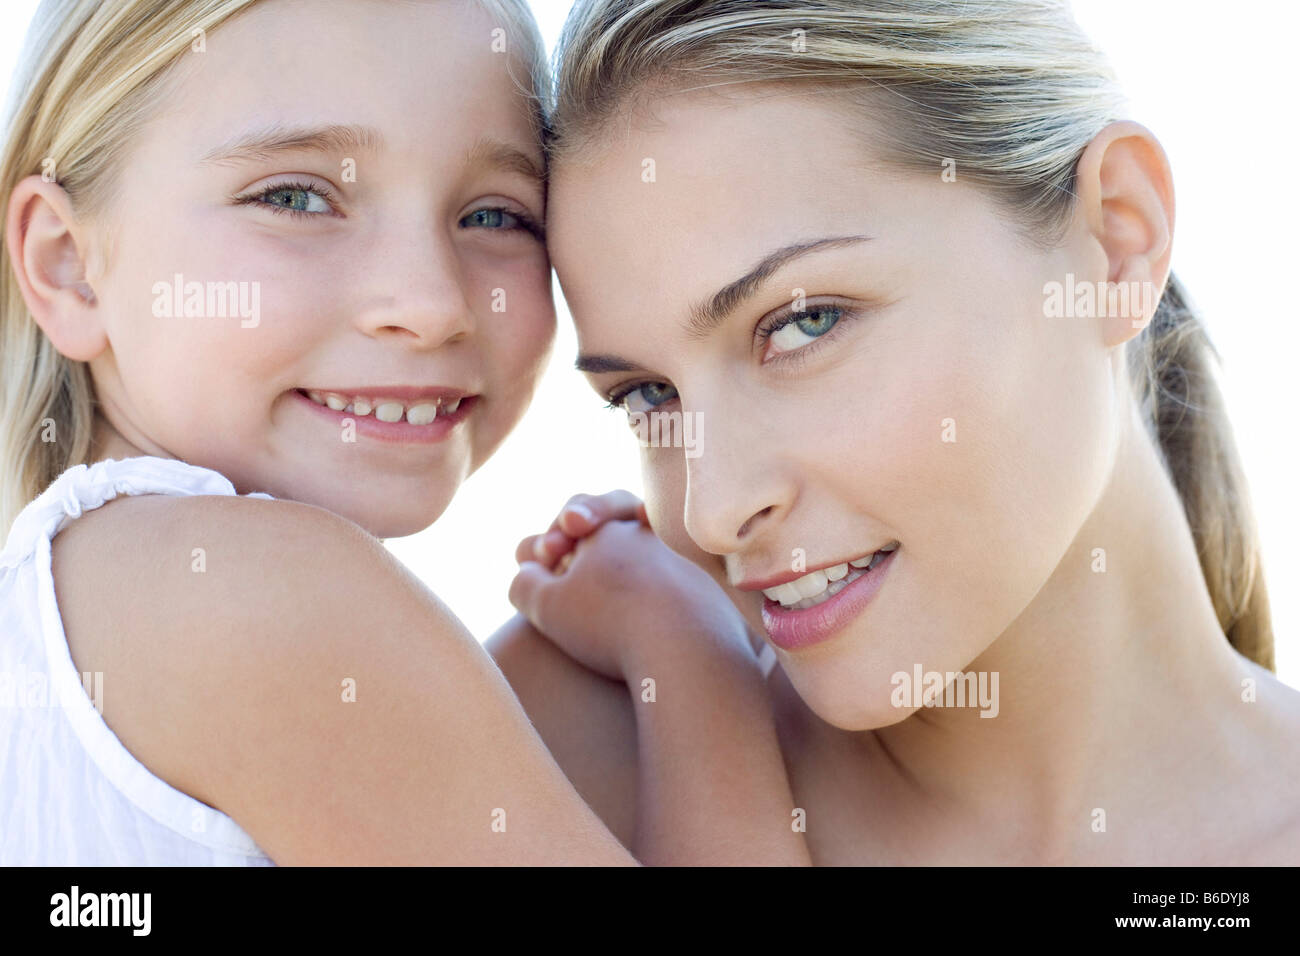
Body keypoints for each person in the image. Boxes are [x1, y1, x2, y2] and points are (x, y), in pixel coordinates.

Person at [0, 0, 808, 866]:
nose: (430, 305)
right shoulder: (266, 595)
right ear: (67, 264)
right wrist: (685, 644)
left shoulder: (73, 615)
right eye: (298, 197)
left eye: (494, 215)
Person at [494, 0, 1300, 864]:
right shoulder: (545, 755)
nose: (714, 510)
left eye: (805, 323)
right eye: (649, 396)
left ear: (1117, 240)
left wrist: (696, 687)